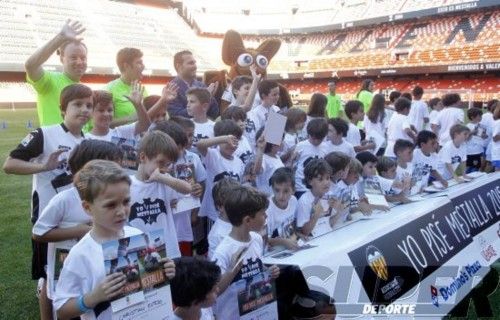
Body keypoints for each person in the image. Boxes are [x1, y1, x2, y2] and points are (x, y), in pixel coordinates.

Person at [3, 83, 92, 320]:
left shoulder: (87, 140)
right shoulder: (44, 133)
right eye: (78, 104)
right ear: (63, 109)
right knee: (47, 274)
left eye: (88, 105)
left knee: (69, 269)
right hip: (48, 218)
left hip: (76, 217)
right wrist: (44, 166)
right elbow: (9, 164)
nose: (84, 110)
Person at [53, 160, 176, 320]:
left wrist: (165, 271)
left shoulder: (137, 235)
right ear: (87, 208)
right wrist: (92, 298)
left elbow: (150, 284)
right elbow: (62, 311)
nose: (121, 212)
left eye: (126, 202)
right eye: (111, 205)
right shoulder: (80, 254)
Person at [32, 140, 123, 312]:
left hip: (96, 267)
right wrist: (80, 231)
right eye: (111, 168)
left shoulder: (112, 199)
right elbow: (38, 233)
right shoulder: (64, 199)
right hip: (66, 266)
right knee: (68, 307)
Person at [212, 186, 280, 319]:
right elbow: (215, 291)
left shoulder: (257, 238)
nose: (266, 216)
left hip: (257, 311)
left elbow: (256, 268)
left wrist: (268, 272)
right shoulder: (223, 251)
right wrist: (232, 271)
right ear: (248, 220)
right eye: (262, 213)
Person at [129, 131, 192, 259]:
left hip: (170, 251)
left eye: (168, 164)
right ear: (143, 157)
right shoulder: (127, 185)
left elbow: (187, 189)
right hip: (140, 250)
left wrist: (162, 178)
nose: (164, 168)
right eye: (161, 162)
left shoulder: (164, 181)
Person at [153, 121, 207, 257]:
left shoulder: (192, 158)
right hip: (161, 230)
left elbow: (200, 184)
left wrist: (197, 191)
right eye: (177, 148)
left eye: (182, 148)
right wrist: (163, 204)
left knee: (183, 269)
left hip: (183, 225)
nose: (181, 152)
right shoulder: (153, 167)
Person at [25, 20, 87, 126]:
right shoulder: (50, 81)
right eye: (73, 57)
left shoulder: (85, 90)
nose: (79, 62)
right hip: (54, 143)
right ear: (62, 59)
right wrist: (61, 37)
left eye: (83, 57)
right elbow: (31, 66)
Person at [197, 120, 245, 225]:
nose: (231, 145)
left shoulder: (239, 162)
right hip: (214, 213)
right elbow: (200, 144)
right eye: (227, 142)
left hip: (232, 213)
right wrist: (224, 138)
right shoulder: (213, 155)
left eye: (235, 141)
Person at [86, 85, 150, 141]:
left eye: (110, 110)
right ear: (90, 112)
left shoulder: (121, 132)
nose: (106, 114)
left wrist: (138, 105)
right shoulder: (85, 139)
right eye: (101, 110)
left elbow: (145, 125)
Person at [167, 50, 219, 119]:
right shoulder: (172, 88)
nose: (195, 66)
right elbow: (176, 116)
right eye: (191, 63)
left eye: (195, 63)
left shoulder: (201, 86)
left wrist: (210, 97)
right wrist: (204, 98)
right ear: (179, 66)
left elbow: (215, 113)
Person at [297, 159, 342, 237]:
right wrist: (316, 214)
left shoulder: (329, 195)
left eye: (328, 178)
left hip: (327, 236)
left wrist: (338, 210)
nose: (326, 182)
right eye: (320, 179)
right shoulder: (305, 201)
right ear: (310, 181)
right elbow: (304, 232)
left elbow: (328, 224)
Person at [293, 118, 331, 199]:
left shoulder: (326, 147)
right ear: (308, 134)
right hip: (301, 186)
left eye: (319, 139)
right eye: (313, 138)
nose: (316, 141)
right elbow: (294, 165)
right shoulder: (301, 145)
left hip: (317, 187)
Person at [266, 167, 299, 252]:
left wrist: (298, 234)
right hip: (274, 252)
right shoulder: (267, 208)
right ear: (272, 189)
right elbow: (264, 239)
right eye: (277, 190)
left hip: (289, 246)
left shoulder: (294, 200)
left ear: (293, 190)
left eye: (286, 191)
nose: (281, 196)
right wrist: (283, 241)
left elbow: (291, 224)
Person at [207, 178, 240, 259]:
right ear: (220, 207)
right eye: (234, 203)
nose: (239, 206)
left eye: (240, 201)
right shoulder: (218, 234)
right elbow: (215, 266)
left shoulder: (240, 221)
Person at [245, 80, 281, 150]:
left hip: (273, 150)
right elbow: (254, 137)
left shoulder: (277, 109)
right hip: (260, 150)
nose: (277, 97)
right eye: (274, 95)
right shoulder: (254, 113)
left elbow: (276, 137)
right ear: (264, 96)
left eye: (278, 94)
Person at [253, 127, 284, 195]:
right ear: (274, 143)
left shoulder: (277, 157)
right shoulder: (263, 158)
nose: (283, 142)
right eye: (282, 139)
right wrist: (261, 149)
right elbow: (257, 171)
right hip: (266, 198)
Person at [465, 107, 488, 173]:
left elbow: (483, 136)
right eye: (479, 116)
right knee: (469, 168)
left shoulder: (481, 125)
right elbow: (465, 138)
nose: (481, 117)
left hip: (479, 150)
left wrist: (484, 136)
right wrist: (472, 133)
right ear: (472, 117)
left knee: (477, 168)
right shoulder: (468, 126)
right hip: (470, 152)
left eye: (481, 115)